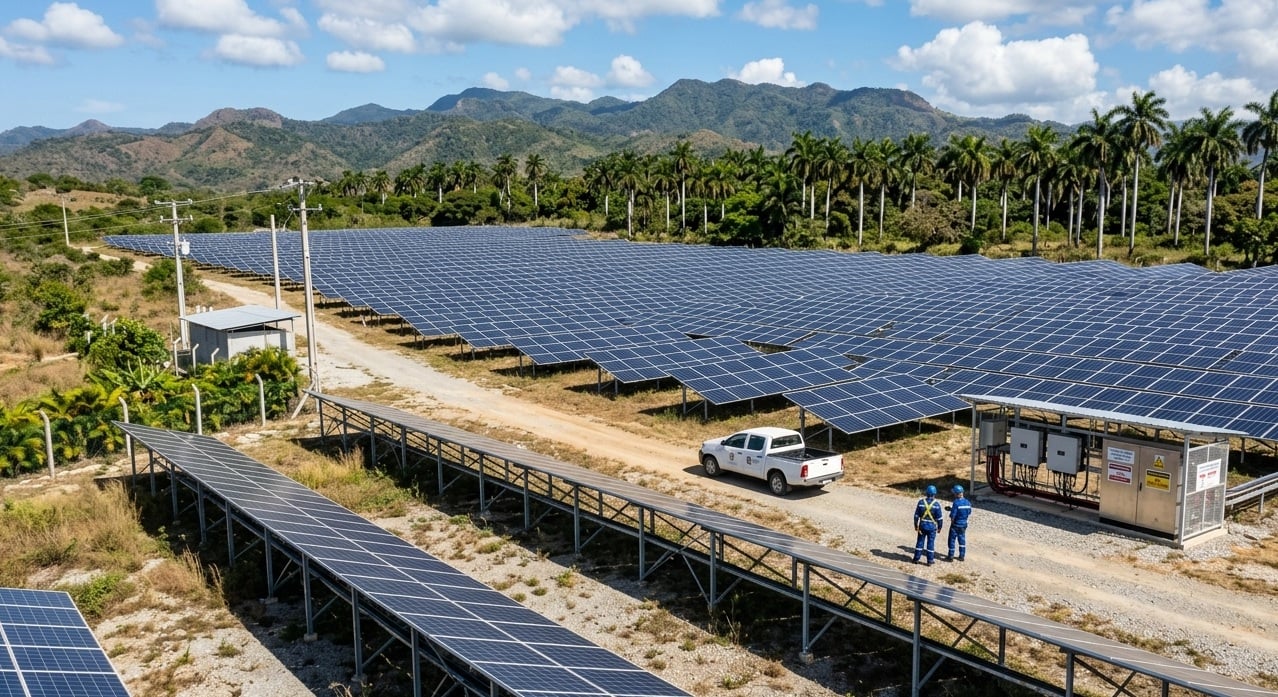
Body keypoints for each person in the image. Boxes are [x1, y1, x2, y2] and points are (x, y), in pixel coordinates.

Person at [912, 484, 944, 565]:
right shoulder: (936, 505)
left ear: (926, 493)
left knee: (920, 542)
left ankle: (916, 559)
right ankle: (930, 561)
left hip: (922, 526)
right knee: (930, 543)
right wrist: (940, 527)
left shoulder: (921, 502)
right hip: (932, 527)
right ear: (935, 493)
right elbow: (940, 518)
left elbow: (916, 516)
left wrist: (916, 525)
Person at [946, 484, 972, 561]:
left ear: (956, 494)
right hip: (963, 524)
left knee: (952, 540)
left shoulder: (956, 503)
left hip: (956, 524)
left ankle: (951, 556)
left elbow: (953, 516)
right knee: (962, 540)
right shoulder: (968, 502)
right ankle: (962, 556)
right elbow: (969, 512)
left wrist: (952, 523)